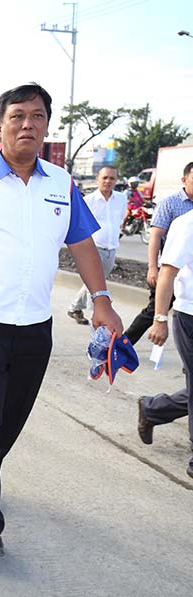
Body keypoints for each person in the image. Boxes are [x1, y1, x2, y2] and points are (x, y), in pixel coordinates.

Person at [0, 83, 123, 559]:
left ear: (47, 127)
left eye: (36, 116)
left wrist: (102, 299)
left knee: (8, 422)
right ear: (0, 126)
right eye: (17, 116)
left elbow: (83, 246)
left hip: (35, 328)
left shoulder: (62, 184)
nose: (27, 124)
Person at [134, 162, 193, 440]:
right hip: (186, 308)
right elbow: (165, 264)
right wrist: (160, 319)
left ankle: (153, 409)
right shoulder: (181, 217)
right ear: (185, 180)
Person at [146, 210, 193, 479]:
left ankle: (154, 409)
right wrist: (160, 319)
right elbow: (168, 272)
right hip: (190, 316)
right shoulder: (187, 224)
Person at [123, 162, 193, 344]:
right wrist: (153, 268)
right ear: (184, 180)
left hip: (189, 276)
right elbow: (155, 237)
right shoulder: (170, 204)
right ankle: (122, 346)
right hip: (169, 271)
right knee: (153, 312)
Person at [67, 166, 126, 325]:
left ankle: (75, 308)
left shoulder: (121, 199)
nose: (108, 181)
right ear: (97, 179)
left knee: (94, 283)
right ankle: (98, 322)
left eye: (112, 178)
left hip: (111, 248)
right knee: (98, 286)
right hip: (94, 248)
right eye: (104, 178)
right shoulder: (88, 201)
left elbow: (119, 219)